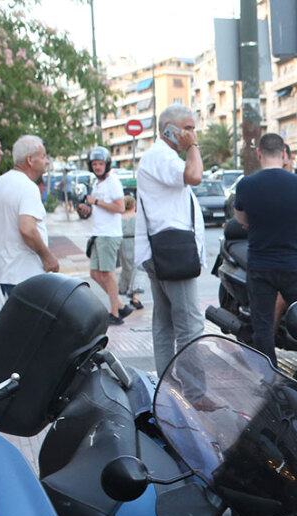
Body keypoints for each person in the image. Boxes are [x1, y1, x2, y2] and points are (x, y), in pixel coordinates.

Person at [135, 102, 205, 375]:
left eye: (193, 130)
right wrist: (192, 147)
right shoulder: (161, 156)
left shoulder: (160, 157)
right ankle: (193, 391)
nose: (192, 134)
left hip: (163, 250)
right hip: (173, 253)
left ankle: (167, 386)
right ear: (169, 129)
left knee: (165, 324)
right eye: (187, 128)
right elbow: (195, 176)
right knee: (190, 326)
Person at [232, 132, 297, 365]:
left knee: (263, 327)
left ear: (259, 153)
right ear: (284, 153)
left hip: (261, 265)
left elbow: (241, 219)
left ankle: (268, 376)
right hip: (294, 265)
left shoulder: (246, 185)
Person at [0, 134, 57, 295]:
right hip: (25, 276)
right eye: (43, 156)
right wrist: (47, 257)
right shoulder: (28, 187)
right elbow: (27, 229)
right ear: (30, 160)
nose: (46, 161)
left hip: (2, 276)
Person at [78, 146, 130, 325]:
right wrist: (87, 209)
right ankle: (121, 305)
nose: (97, 167)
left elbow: (120, 207)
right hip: (98, 233)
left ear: (106, 164)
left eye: (100, 164)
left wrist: (97, 202)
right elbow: (97, 208)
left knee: (108, 273)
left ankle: (115, 313)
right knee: (94, 273)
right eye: (94, 164)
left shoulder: (112, 182)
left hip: (109, 234)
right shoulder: (96, 183)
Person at [118, 195, 144, 312]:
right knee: (138, 269)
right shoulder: (138, 217)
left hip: (123, 243)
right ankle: (135, 296)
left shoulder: (119, 219)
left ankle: (123, 289)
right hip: (136, 243)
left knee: (126, 268)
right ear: (134, 205)